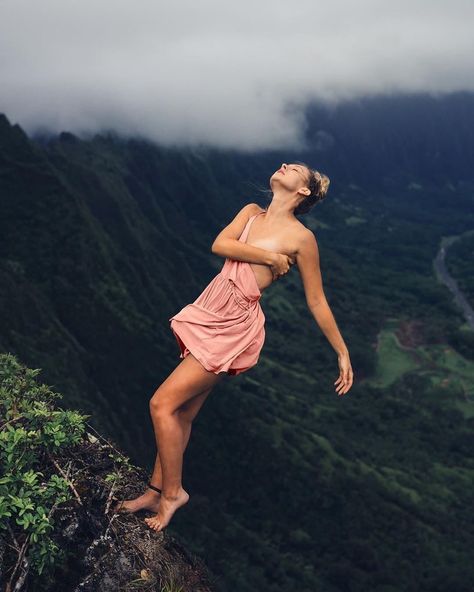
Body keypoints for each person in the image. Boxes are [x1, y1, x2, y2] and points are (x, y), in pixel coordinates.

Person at [113, 162, 354, 532]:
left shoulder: (303, 239)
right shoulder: (250, 213)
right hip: (211, 310)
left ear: (303, 191)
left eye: (295, 169)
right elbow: (219, 245)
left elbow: (317, 300)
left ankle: (173, 494)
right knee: (183, 413)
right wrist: (270, 258)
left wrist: (341, 351)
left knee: (161, 404)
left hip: (234, 326)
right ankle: (154, 490)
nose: (285, 165)